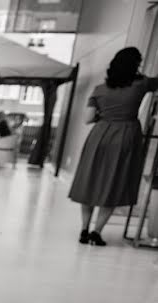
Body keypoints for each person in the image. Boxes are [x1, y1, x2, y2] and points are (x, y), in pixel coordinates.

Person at [69, 47, 157, 246]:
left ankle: (84, 229)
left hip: (99, 136)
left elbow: (88, 118)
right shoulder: (141, 84)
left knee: (90, 181)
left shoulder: (99, 89)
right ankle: (96, 232)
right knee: (114, 183)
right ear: (135, 65)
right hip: (126, 136)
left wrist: (105, 115)